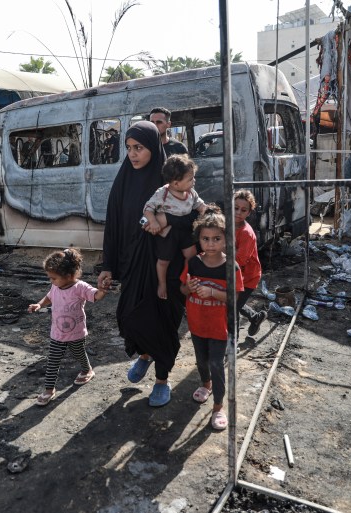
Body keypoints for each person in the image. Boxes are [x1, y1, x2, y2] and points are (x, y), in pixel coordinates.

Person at [97, 120, 194, 407]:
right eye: (128, 148)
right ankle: (145, 354)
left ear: (152, 146)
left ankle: (162, 380)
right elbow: (113, 225)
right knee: (131, 316)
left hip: (167, 263)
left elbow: (191, 219)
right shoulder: (123, 180)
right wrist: (108, 265)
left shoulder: (169, 184)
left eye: (138, 148)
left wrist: (165, 220)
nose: (133, 154)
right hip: (133, 264)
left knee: (164, 322)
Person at [180, 205, 243, 430]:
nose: (211, 243)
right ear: (200, 240)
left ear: (226, 240)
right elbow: (182, 290)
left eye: (217, 238)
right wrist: (189, 286)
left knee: (217, 363)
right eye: (206, 239)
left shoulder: (231, 267)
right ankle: (205, 385)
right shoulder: (194, 263)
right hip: (197, 325)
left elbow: (234, 299)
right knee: (201, 360)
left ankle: (218, 407)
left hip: (219, 327)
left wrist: (213, 292)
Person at [27, 249, 106, 406]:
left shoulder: (80, 287)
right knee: (53, 361)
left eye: (54, 278)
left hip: (76, 333)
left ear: (69, 276)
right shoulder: (56, 286)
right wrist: (39, 304)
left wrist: (102, 289)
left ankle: (87, 370)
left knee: (79, 353)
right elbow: (49, 297)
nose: (51, 281)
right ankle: (49, 389)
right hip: (57, 333)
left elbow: (95, 295)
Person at [142, 154, 206, 299]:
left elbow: (201, 206)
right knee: (164, 261)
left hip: (185, 231)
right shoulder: (162, 194)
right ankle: (162, 284)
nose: (194, 181)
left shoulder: (191, 193)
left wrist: (206, 213)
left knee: (191, 256)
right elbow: (148, 209)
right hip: (167, 234)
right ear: (176, 183)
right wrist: (153, 221)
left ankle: (186, 280)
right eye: (190, 179)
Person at [233, 189, 267, 336]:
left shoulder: (246, 233)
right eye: (235, 208)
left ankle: (232, 343)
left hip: (248, 276)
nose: (238, 212)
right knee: (233, 303)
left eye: (243, 210)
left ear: (249, 213)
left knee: (232, 308)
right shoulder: (227, 224)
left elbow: (239, 260)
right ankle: (255, 317)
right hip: (234, 273)